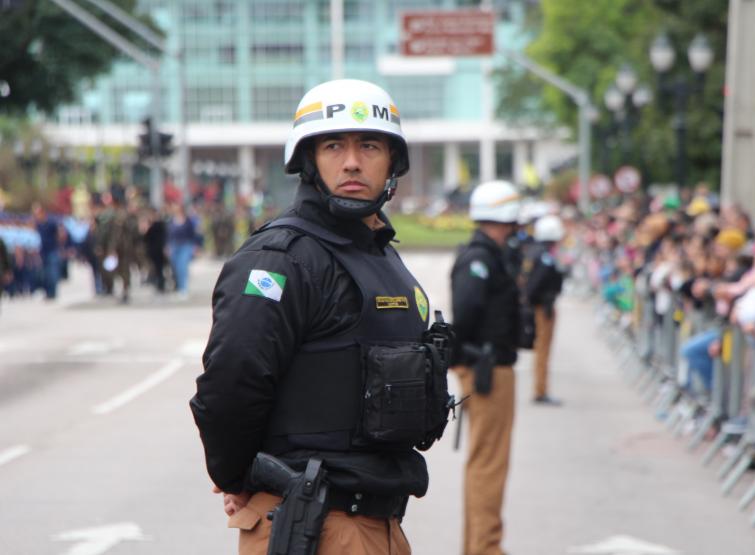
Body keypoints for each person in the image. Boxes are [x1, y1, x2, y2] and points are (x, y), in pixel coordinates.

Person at [191, 79, 452, 555]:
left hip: (379, 526)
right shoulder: (281, 257)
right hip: (311, 525)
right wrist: (237, 477)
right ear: (309, 160)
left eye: (369, 145)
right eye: (334, 145)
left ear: (393, 162)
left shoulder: (381, 255)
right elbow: (231, 382)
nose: (352, 161)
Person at [450, 179, 522, 555]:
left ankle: (477, 546)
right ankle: (486, 548)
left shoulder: (485, 254)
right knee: (489, 465)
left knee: (484, 463)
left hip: (486, 366)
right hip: (488, 370)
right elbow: (465, 314)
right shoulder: (481, 258)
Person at [524, 214, 566, 404]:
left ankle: (541, 388)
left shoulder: (534, 252)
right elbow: (535, 284)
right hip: (543, 308)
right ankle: (540, 390)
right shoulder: (546, 256)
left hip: (540, 305)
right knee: (543, 351)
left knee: (542, 350)